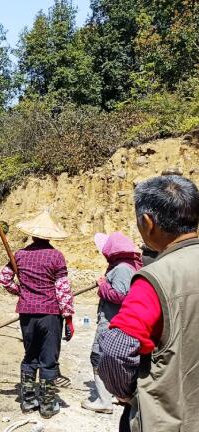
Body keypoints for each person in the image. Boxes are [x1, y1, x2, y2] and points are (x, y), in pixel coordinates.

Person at [98, 175, 199, 432]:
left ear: (147, 222)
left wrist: (127, 393)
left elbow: (116, 350)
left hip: (168, 418)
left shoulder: (155, 278)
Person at [0, 211, 75, 419]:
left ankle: (28, 400)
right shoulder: (56, 257)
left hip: (27, 314)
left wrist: (20, 291)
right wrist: (68, 317)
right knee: (48, 359)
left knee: (30, 356)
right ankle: (48, 405)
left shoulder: (20, 255)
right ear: (50, 236)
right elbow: (63, 290)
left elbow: (3, 279)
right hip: (50, 315)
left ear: (32, 235)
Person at [82, 232, 142, 414]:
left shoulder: (123, 268)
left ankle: (103, 400)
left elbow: (119, 295)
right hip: (119, 321)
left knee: (98, 357)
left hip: (111, 321)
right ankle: (119, 394)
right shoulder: (128, 265)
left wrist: (102, 285)